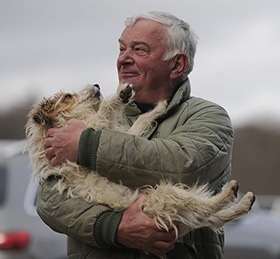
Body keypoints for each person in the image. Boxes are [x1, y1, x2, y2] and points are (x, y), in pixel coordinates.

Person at [37, 11, 234, 259]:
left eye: (139, 50)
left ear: (177, 64)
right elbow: (49, 199)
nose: (123, 59)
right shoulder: (91, 115)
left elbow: (185, 167)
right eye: (121, 49)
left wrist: (86, 144)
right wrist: (114, 227)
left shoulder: (208, 116)